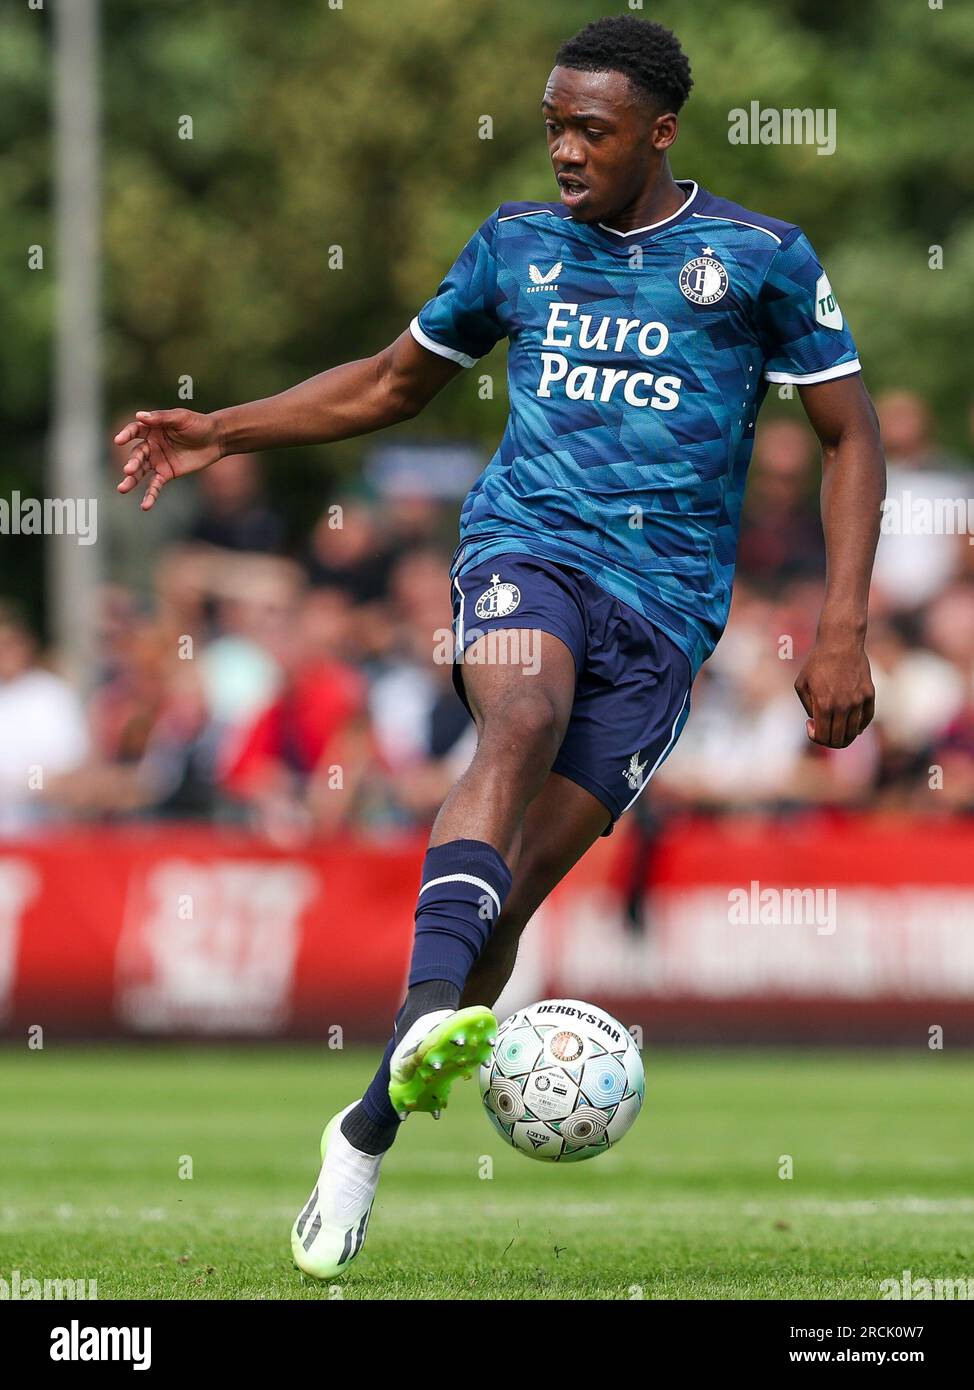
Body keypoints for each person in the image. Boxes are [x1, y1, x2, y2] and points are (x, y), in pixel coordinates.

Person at [113, 16, 885, 1279]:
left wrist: (840, 622)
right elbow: (384, 384)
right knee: (515, 717)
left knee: (512, 893)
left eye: (590, 129)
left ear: (659, 131)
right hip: (524, 550)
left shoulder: (757, 260)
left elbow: (852, 434)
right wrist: (226, 431)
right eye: (551, 127)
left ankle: (363, 1130)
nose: (565, 149)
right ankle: (427, 1022)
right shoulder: (514, 247)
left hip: (664, 614)